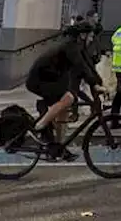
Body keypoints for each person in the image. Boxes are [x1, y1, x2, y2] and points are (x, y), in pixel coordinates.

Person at [24, 21, 104, 160]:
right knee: (69, 99)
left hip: (53, 78)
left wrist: (97, 83)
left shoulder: (78, 47)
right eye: (90, 36)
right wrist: (94, 84)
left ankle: (59, 147)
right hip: (40, 79)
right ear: (82, 35)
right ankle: (40, 126)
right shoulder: (70, 46)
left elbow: (88, 65)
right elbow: (80, 66)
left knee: (63, 112)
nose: (92, 39)